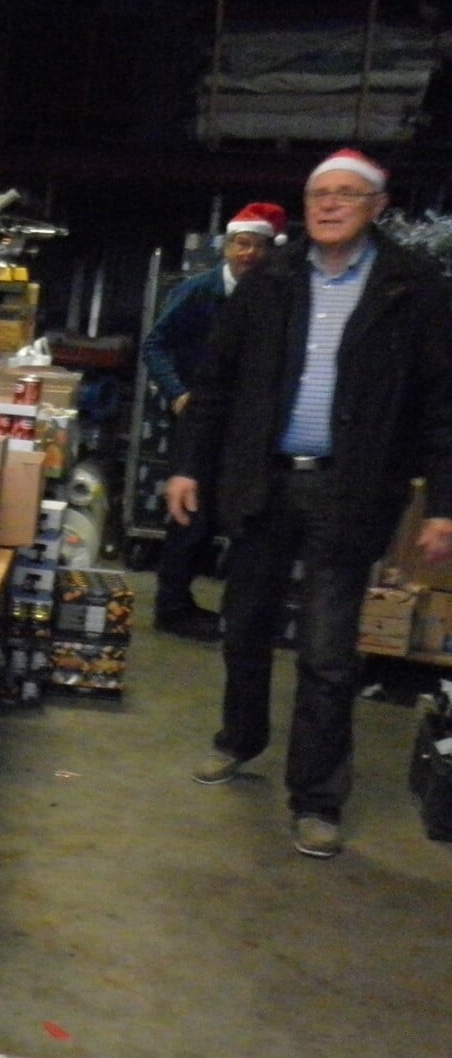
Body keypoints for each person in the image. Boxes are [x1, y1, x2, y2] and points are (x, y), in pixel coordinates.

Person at [168, 148, 452, 859]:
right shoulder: (272, 280)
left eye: (347, 195)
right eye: (318, 194)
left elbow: (443, 405)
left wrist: (443, 504)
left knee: (327, 652)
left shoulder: (413, 289)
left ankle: (318, 798)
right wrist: (187, 467)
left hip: (349, 489)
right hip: (263, 482)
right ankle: (240, 738)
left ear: (377, 207)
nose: (328, 205)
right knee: (244, 627)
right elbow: (217, 383)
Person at [143, 202, 287, 641]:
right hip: (199, 415)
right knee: (190, 515)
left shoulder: (271, 295)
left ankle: (192, 603)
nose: (249, 254)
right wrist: (178, 393)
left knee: (224, 514)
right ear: (228, 246)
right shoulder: (200, 291)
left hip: (242, 421)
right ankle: (171, 607)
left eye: (259, 247)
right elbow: (155, 344)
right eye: (242, 244)